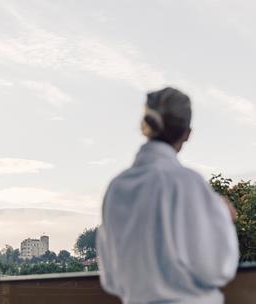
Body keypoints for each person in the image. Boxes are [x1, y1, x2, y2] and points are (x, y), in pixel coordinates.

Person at [97, 87, 239, 304]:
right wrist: (221, 218)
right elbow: (215, 268)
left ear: (146, 126)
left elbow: (111, 279)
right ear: (187, 133)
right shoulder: (186, 183)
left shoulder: (116, 188)